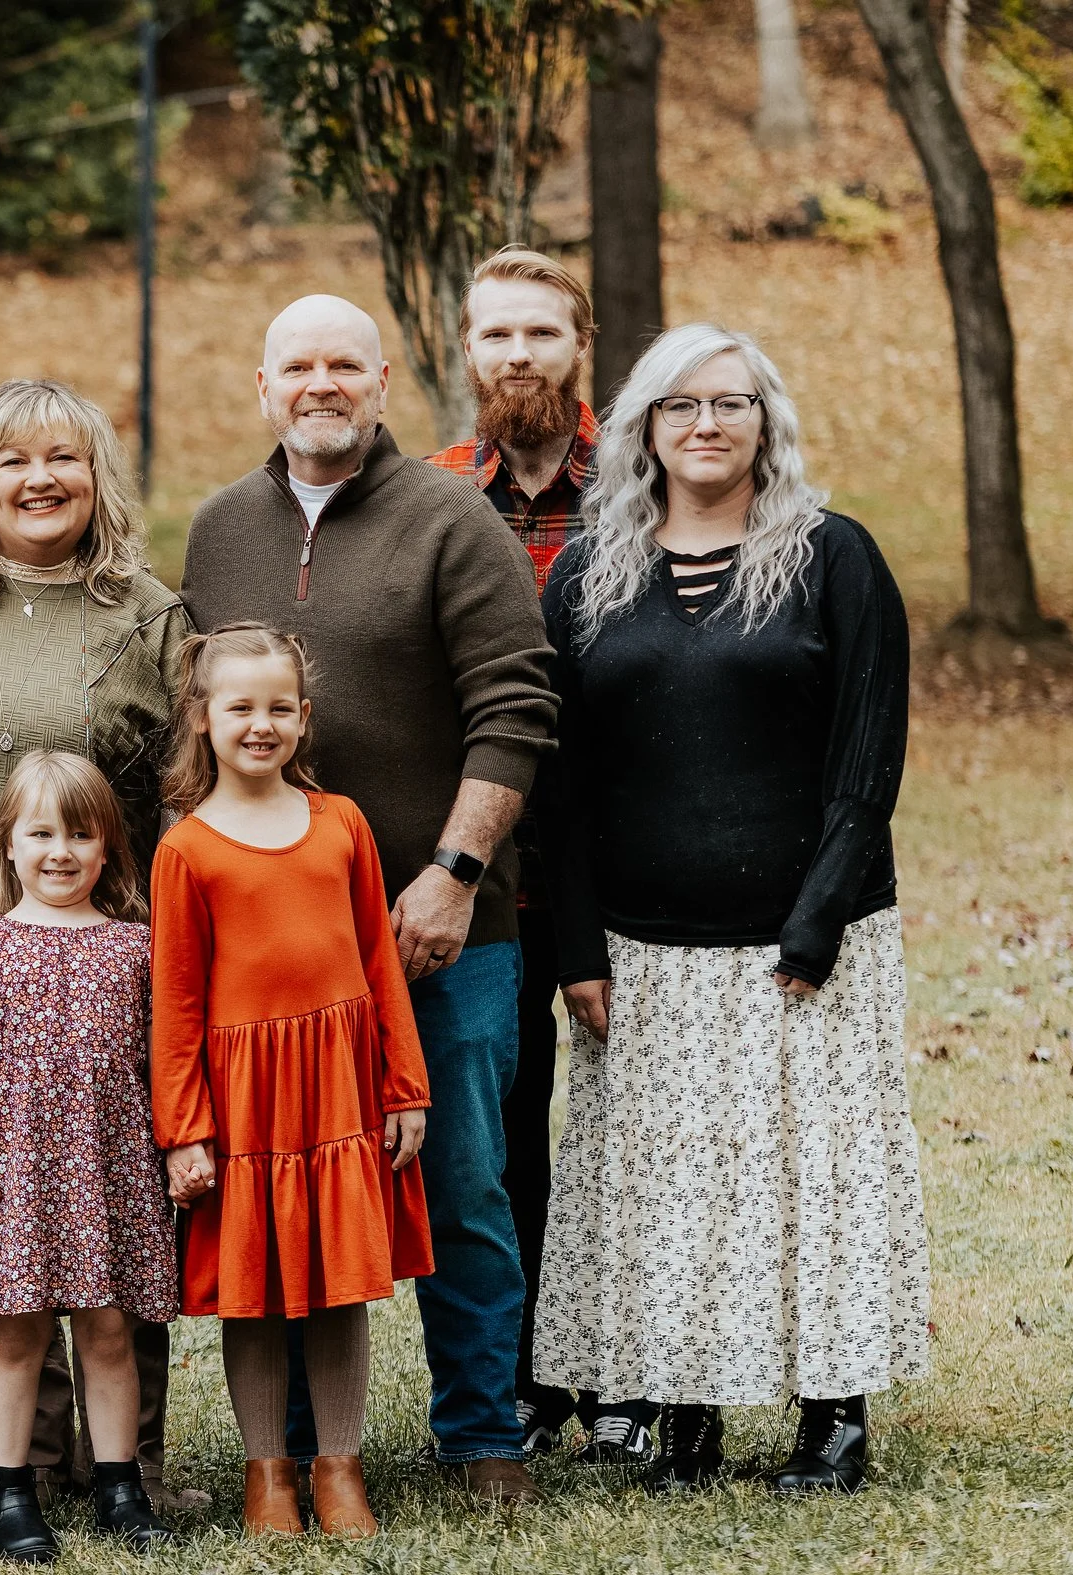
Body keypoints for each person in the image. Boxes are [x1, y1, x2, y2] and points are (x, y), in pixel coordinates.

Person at [533, 323, 927, 1496]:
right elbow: (557, 780)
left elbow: (868, 751)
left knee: (815, 1174)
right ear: (643, 429)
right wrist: (573, 943)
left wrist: (816, 919)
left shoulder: (830, 557)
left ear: (768, 422)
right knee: (669, 1180)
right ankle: (684, 1415)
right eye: (679, 406)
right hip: (639, 946)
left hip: (811, 942)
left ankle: (831, 1421)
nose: (706, 424)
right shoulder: (587, 573)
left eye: (732, 403)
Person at [178, 295, 558, 1507]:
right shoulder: (220, 529)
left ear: (383, 380)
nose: (321, 385)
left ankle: (480, 1430)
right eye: (298, 365)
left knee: (459, 1182)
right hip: (268, 958)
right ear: (263, 385)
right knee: (284, 1191)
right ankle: (290, 1448)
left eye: (344, 363)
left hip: (437, 934)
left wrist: (452, 872)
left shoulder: (453, 520)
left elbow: (516, 707)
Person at [0, 378, 194, 1507]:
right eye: (14, 460)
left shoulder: (148, 614)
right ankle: (27, 1458)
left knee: (119, 1201)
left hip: (112, 961)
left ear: (96, 476)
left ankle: (128, 1461)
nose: (39, 480)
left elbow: (181, 795)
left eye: (63, 458)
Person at [426, 247, 648, 1467]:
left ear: (582, 347)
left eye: (540, 334)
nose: (516, 355)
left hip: (631, 864)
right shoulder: (431, 495)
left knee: (631, 1129)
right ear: (466, 350)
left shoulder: (647, 488)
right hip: (497, 873)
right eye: (494, 334)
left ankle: (630, 1369)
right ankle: (522, 1377)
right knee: (501, 1134)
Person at [149, 624, 432, 1540]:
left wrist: (404, 1084)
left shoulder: (341, 822)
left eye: (279, 708)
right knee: (256, 1287)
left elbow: (380, 963)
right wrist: (184, 1126)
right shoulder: (186, 848)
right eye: (241, 708)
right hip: (245, 1103)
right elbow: (177, 1000)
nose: (260, 725)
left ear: (304, 719)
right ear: (203, 720)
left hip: (338, 1088)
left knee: (342, 1281)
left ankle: (339, 1468)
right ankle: (267, 1472)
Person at [0, 752, 177, 1563]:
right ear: (9, 843)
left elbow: (159, 1059)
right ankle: (9, 1490)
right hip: (18, 1173)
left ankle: (119, 1483)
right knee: (16, 1337)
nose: (61, 851)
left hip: (108, 1169)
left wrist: (178, 1149)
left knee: (110, 1332)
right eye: (41, 832)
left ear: (108, 846)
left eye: (81, 832)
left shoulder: (135, 947)